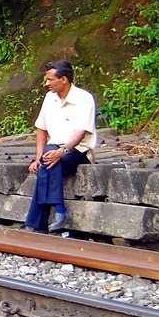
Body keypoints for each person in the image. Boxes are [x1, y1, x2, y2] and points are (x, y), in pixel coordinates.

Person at [25, 59, 97, 233]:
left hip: (77, 150)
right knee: (46, 162)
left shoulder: (83, 98)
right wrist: (37, 158)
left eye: (50, 79)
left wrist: (62, 151)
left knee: (51, 161)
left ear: (63, 79)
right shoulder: (50, 98)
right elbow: (41, 129)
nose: (47, 83)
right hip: (53, 148)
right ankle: (57, 213)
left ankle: (42, 220)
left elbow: (81, 133)